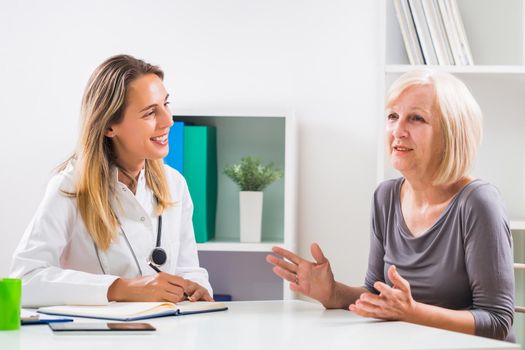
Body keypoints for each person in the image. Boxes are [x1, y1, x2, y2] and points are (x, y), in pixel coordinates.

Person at [266, 69, 515, 342]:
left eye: (416, 118)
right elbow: (377, 296)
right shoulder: (385, 197)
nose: (398, 130)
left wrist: (412, 312)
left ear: (450, 134)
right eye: (393, 116)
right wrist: (333, 293)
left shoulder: (478, 203)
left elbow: (497, 320)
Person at [10, 54, 213, 306]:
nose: (168, 120)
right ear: (108, 126)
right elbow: (25, 280)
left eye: (166, 104)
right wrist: (122, 288)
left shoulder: (175, 184)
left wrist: (195, 287)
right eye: (150, 112)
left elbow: (188, 269)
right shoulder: (70, 187)